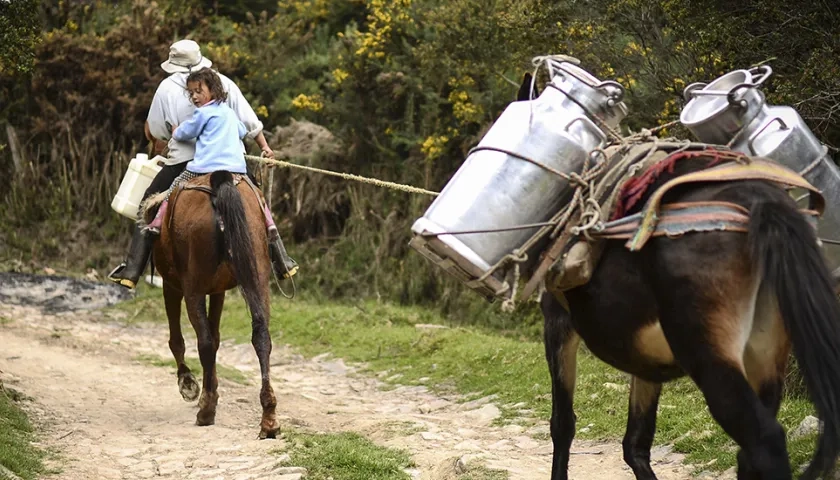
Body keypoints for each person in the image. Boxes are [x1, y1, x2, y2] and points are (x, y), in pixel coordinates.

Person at [108, 39, 298, 289]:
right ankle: (280, 258)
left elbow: (157, 130)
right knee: (257, 200)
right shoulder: (224, 83)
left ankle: (132, 269)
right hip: (234, 162)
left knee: (148, 202)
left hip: (188, 164)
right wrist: (264, 147)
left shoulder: (167, 88)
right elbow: (249, 122)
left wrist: (173, 133)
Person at [145, 68, 250, 233]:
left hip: (204, 167)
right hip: (236, 168)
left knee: (174, 186)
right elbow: (243, 131)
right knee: (256, 194)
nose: (194, 96)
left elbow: (184, 133)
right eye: (191, 93)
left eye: (198, 91)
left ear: (213, 90)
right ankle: (269, 223)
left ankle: (157, 223)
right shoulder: (229, 112)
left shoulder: (202, 113)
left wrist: (175, 130)